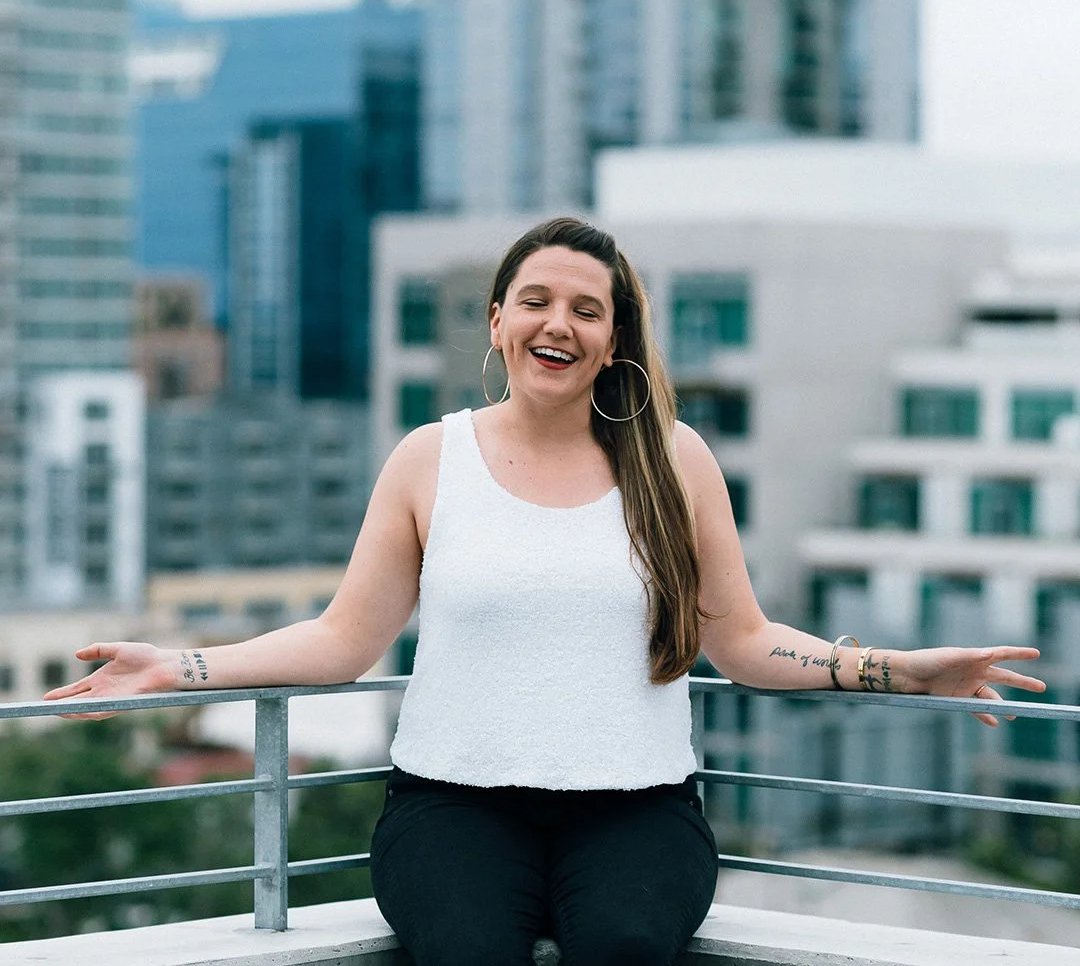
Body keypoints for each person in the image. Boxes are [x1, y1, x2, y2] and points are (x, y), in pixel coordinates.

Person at [45, 216, 1045, 966]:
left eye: (585, 309)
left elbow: (743, 642)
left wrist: (897, 671)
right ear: (497, 322)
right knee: (468, 953)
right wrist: (178, 666)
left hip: (637, 810)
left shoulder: (676, 461)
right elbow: (345, 639)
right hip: (452, 807)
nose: (557, 323)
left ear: (613, 341)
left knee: (622, 945)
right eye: (535, 301)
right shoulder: (429, 458)